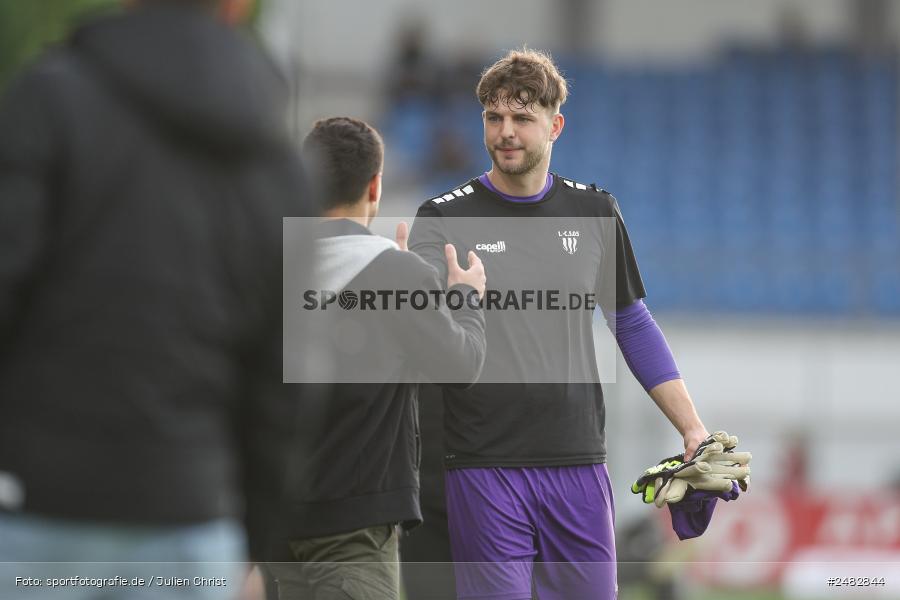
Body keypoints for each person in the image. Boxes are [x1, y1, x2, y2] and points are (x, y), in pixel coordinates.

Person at [0, 0, 315, 595]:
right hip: (192, 523)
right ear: (237, 6)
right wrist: (253, 538)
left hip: (35, 506)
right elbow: (283, 385)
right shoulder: (279, 165)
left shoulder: (49, 99)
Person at [408, 48, 710, 600]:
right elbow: (422, 340)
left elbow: (631, 323)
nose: (506, 131)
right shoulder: (443, 217)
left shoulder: (595, 212)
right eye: (494, 117)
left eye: (522, 118)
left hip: (578, 463)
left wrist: (691, 427)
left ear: (555, 125)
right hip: (483, 468)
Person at [267, 116, 487, 600]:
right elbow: (463, 365)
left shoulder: (269, 265)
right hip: (354, 527)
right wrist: (463, 297)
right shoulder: (397, 273)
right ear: (374, 186)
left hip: (277, 521)